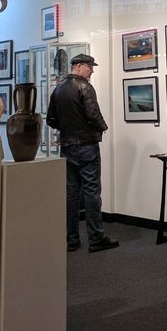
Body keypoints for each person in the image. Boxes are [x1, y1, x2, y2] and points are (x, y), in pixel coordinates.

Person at [47, 53, 119, 253]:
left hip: (67, 147)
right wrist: (103, 127)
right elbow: (93, 114)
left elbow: (51, 119)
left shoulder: (58, 89)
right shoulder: (85, 87)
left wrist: (67, 128)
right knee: (92, 191)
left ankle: (71, 239)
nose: (92, 71)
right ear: (78, 66)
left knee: (71, 193)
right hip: (86, 146)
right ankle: (96, 238)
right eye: (90, 66)